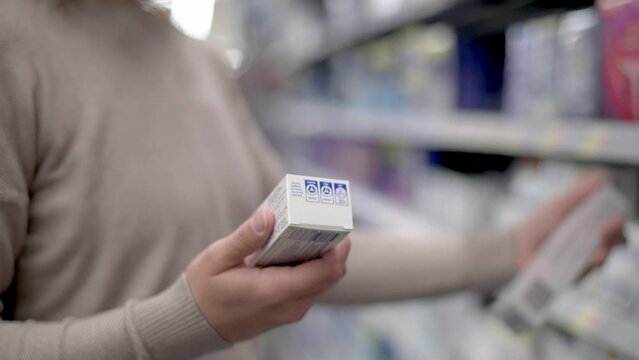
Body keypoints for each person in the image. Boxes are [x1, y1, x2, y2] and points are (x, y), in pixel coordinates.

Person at [0, 0, 625, 359]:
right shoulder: (15, 48)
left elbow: (307, 249)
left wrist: (505, 252)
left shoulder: (199, 62)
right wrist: (179, 321)